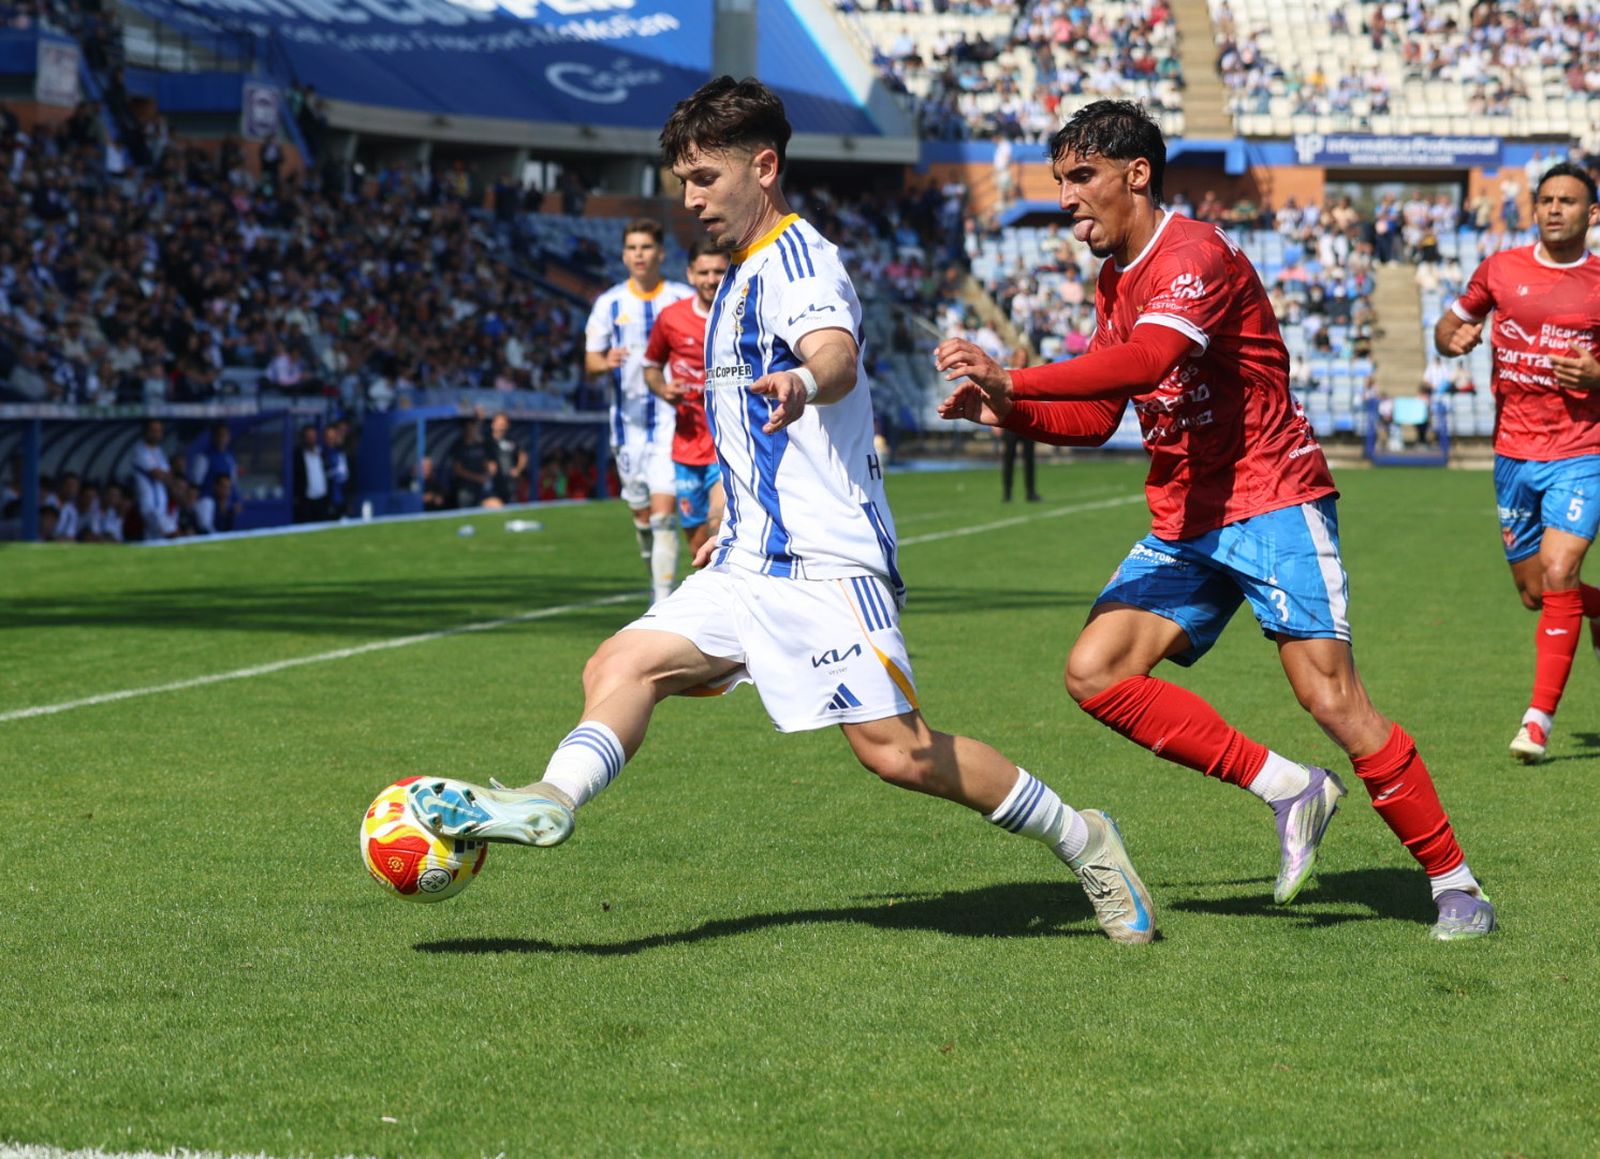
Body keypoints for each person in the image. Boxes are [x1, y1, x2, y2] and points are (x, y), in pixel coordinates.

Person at [406, 76, 1156, 946]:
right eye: (682, 183)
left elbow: (831, 355)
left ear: (763, 167)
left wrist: (803, 380)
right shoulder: (735, 279)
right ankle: (551, 800)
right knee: (621, 662)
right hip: (748, 559)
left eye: (703, 179)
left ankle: (1086, 838)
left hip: (827, 566)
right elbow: (743, 421)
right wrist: (731, 496)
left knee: (899, 752)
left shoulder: (800, 260)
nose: (690, 201)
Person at [934, 99, 1495, 940]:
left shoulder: (1193, 253)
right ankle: (1288, 787)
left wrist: (1016, 376)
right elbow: (1099, 415)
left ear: (1137, 175)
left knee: (1333, 699)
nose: (1067, 198)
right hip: (1184, 514)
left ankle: (1457, 884)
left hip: (1270, 495)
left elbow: (1151, 358)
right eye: (1060, 182)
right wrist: (1001, 413)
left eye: (1081, 177)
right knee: (1096, 671)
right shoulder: (1114, 279)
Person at [1434, 161, 1600, 764]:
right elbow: (1450, 322)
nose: (1555, 208)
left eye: (1569, 201)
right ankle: (1593, 607)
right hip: (1512, 454)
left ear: (1592, 213)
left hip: (1582, 451)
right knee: (1537, 592)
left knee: (1559, 571)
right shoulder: (1501, 269)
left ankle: (1537, 722)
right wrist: (1449, 337)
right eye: (1546, 199)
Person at [584, 219, 693, 603]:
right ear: (624, 254)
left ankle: (661, 604)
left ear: (660, 253)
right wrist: (605, 361)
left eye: (646, 247)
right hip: (626, 424)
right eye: (632, 248)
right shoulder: (609, 303)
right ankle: (656, 582)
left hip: (672, 420)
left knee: (664, 515)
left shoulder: (682, 297)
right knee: (643, 517)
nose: (639, 254)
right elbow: (590, 362)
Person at [643, 239, 729, 555]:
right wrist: (663, 389)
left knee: (718, 525)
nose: (711, 279)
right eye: (703, 272)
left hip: (729, 443)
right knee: (697, 547)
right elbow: (651, 366)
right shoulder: (671, 318)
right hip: (687, 445)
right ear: (690, 274)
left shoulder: (744, 316)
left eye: (719, 271)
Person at [999, 344, 1040, 503]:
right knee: (1009, 458)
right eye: (1020, 356)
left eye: (1025, 357)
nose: (1023, 359)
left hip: (1027, 421)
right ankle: (1007, 492)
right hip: (1010, 422)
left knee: (1029, 458)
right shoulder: (1006, 374)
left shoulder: (1030, 374)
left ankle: (1030, 491)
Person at [132, 418, 175, 540]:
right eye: (153, 430)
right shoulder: (140, 450)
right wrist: (164, 475)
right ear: (146, 432)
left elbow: (168, 475)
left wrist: (165, 476)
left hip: (161, 505)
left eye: (159, 431)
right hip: (150, 506)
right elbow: (157, 474)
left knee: (155, 541)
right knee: (173, 534)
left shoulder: (159, 451)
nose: (157, 434)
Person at [485, 412, 527, 508]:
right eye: (499, 424)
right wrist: (487, 467)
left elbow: (522, 455)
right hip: (492, 486)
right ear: (493, 424)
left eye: (503, 424)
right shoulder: (487, 441)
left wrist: (518, 469)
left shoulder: (511, 440)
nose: (501, 427)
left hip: (509, 485)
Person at [291, 423, 330, 523]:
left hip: (321, 498)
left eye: (313, 436)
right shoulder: (298, 455)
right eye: (309, 437)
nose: (312, 439)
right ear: (304, 438)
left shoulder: (321, 452)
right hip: (306, 500)